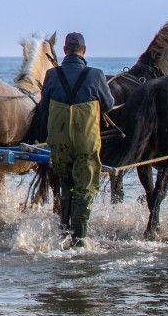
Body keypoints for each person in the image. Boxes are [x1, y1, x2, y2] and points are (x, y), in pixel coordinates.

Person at [37, 31, 114, 247]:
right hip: (85, 140)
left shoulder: (52, 75)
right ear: (84, 51)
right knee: (85, 186)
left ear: (63, 51)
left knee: (65, 183)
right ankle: (80, 238)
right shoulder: (96, 75)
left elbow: (43, 108)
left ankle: (64, 233)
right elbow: (108, 104)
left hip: (59, 140)